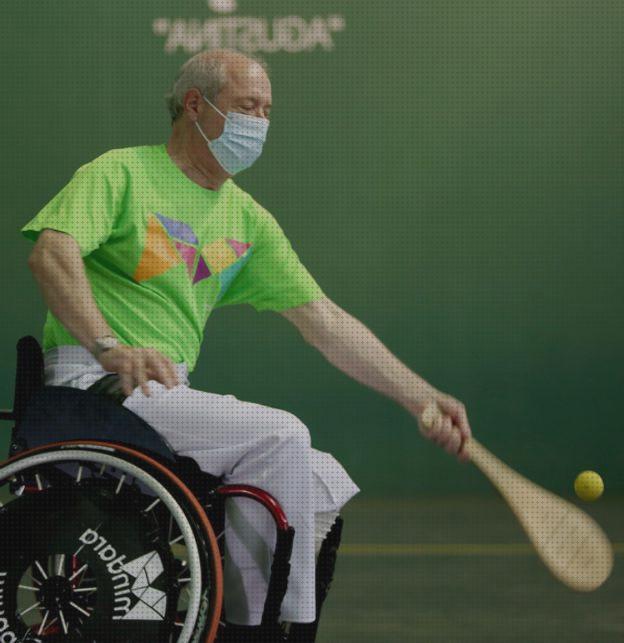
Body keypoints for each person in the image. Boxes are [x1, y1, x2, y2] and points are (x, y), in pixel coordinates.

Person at [20, 49, 472, 640]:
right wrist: (110, 347)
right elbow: (51, 253)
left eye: (266, 110)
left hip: (162, 394)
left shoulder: (247, 220)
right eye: (245, 106)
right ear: (195, 105)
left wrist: (422, 396)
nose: (259, 122)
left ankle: (277, 623)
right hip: (92, 385)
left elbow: (325, 320)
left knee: (314, 479)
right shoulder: (121, 172)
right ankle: (251, 633)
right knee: (280, 434)